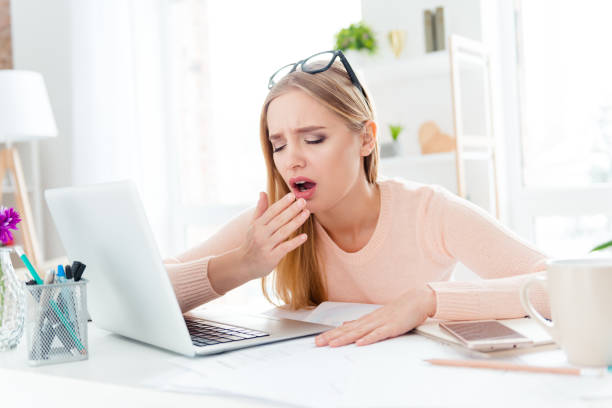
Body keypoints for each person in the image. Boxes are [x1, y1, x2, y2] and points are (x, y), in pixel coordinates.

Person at [163, 50, 549, 349]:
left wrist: (428, 300)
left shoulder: (429, 211)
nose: (292, 159)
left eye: (314, 139)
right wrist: (243, 264)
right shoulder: (275, 223)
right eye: (277, 145)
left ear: (366, 139)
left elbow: (564, 284)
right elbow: (152, 284)